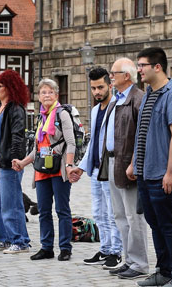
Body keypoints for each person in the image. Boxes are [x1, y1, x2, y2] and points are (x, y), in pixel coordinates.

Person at [127, 47, 172, 287]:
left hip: (164, 173)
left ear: (157, 67)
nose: (138, 69)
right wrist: (134, 162)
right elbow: (141, 133)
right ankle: (163, 271)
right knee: (155, 223)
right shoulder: (148, 95)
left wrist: (171, 171)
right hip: (146, 171)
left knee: (169, 224)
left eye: (142, 65)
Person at [12, 78, 74, 261]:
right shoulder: (42, 116)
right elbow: (37, 148)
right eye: (43, 92)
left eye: (50, 92)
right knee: (44, 211)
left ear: (56, 95)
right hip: (41, 170)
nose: (46, 95)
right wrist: (23, 162)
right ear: (38, 97)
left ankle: (65, 248)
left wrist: (69, 166)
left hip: (59, 168)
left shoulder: (62, 114)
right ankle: (47, 247)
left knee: (62, 210)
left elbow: (70, 143)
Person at [70, 67, 123, 270]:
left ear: (110, 85)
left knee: (112, 213)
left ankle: (116, 252)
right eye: (93, 88)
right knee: (99, 213)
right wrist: (82, 167)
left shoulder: (118, 106)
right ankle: (105, 248)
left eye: (100, 87)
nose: (96, 92)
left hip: (110, 167)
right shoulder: (94, 110)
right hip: (95, 169)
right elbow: (93, 142)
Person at [102, 58, 149, 280]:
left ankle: (139, 263)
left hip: (128, 164)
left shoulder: (138, 99)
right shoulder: (116, 99)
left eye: (114, 73)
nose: (110, 76)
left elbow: (143, 136)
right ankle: (128, 259)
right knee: (120, 215)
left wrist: (135, 163)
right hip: (113, 162)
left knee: (133, 216)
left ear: (127, 76)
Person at [0, 69, 30, 254]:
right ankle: (3, 238)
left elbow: (18, 136)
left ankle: (20, 240)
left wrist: (16, 159)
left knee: (11, 204)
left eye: (0, 86)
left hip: (8, 163)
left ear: (10, 87)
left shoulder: (15, 109)